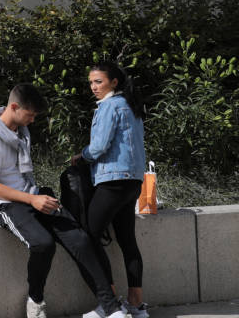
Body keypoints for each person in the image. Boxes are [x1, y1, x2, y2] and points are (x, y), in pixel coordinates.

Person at [0, 83, 125, 318]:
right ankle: (35, 301)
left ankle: (111, 308)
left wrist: (35, 197)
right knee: (43, 244)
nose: (32, 120)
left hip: (31, 194)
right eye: (30, 114)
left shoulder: (19, 132)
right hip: (3, 203)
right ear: (14, 107)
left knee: (80, 239)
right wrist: (32, 200)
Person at [72, 61, 148, 318]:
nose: (93, 87)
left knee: (89, 237)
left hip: (113, 180)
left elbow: (99, 146)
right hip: (133, 182)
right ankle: (136, 305)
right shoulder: (132, 106)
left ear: (113, 82)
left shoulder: (110, 106)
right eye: (91, 82)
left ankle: (109, 304)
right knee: (127, 240)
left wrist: (80, 157)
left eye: (98, 81)